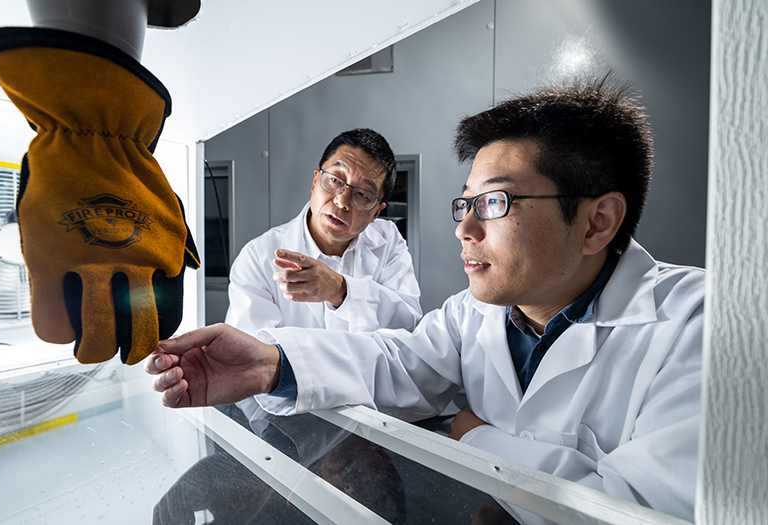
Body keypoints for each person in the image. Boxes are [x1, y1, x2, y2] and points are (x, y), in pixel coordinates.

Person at [147, 76, 704, 524]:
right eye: (465, 205)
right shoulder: (475, 311)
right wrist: (273, 362)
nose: (464, 230)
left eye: (495, 202)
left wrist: (476, 436)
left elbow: (644, 510)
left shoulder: (698, 325)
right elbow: (402, 359)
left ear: (596, 222)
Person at [225, 128, 422, 336]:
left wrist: (340, 291)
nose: (341, 201)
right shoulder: (258, 257)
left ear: (376, 213)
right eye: (335, 180)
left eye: (363, 194)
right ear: (315, 181)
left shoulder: (387, 240)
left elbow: (407, 325)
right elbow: (252, 352)